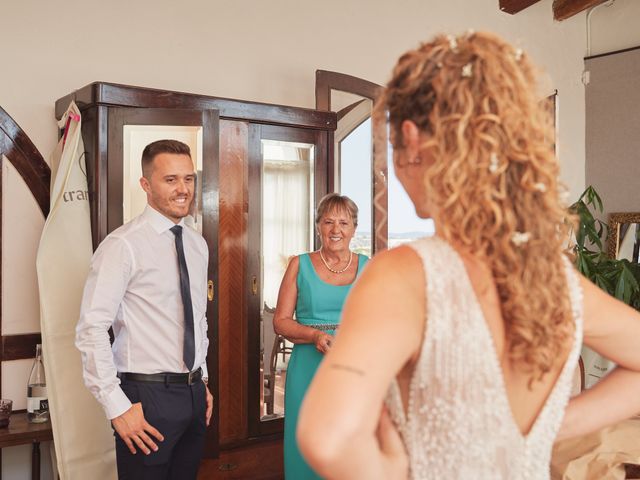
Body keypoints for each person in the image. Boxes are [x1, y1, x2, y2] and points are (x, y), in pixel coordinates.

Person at [297, 32, 640, 479]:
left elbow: (329, 438)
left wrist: (392, 471)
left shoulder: (405, 274)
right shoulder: (553, 278)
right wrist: (548, 426)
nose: (390, 167)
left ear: (411, 139)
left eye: (390, 150)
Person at [76, 139, 213, 480]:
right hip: (146, 397)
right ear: (146, 184)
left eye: (189, 178)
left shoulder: (197, 244)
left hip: (194, 395)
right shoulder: (122, 246)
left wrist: (203, 380)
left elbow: (197, 319)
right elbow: (91, 328)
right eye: (170, 180)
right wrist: (117, 406)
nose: (183, 189)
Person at [273, 193, 369, 479]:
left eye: (344, 222)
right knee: (306, 445)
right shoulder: (298, 265)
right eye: (328, 222)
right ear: (318, 226)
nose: (336, 230)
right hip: (307, 367)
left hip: (353, 369)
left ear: (353, 228)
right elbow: (280, 322)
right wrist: (315, 336)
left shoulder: (368, 266)